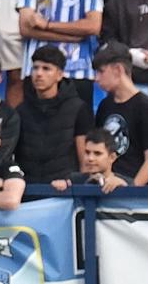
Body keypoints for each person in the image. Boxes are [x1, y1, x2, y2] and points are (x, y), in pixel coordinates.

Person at [13, 46, 95, 184]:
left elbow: (85, 161)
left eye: (46, 69)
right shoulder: (21, 110)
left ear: (59, 74)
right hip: (28, 192)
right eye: (35, 68)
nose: (39, 74)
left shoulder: (78, 109)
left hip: (65, 191)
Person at [91, 42, 148, 186]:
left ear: (118, 70)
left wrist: (132, 188)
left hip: (136, 193)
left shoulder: (145, 106)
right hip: (107, 187)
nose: (97, 78)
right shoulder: (105, 106)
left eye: (101, 71)